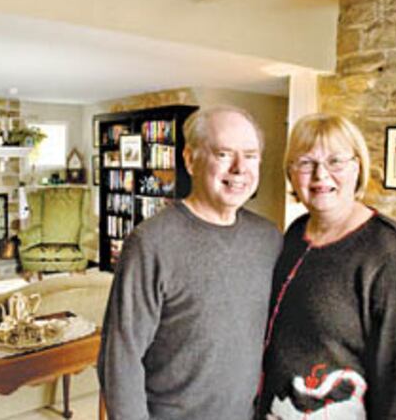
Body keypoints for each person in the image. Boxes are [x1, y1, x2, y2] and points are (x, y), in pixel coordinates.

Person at [98, 105, 283, 420]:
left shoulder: (269, 239)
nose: (240, 168)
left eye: (250, 155)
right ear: (190, 159)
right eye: (224, 154)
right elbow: (120, 358)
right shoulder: (150, 242)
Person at [256, 114, 396, 420]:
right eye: (305, 162)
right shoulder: (296, 233)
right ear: (290, 173)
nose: (320, 175)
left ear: (358, 167)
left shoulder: (390, 253)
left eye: (336, 161)